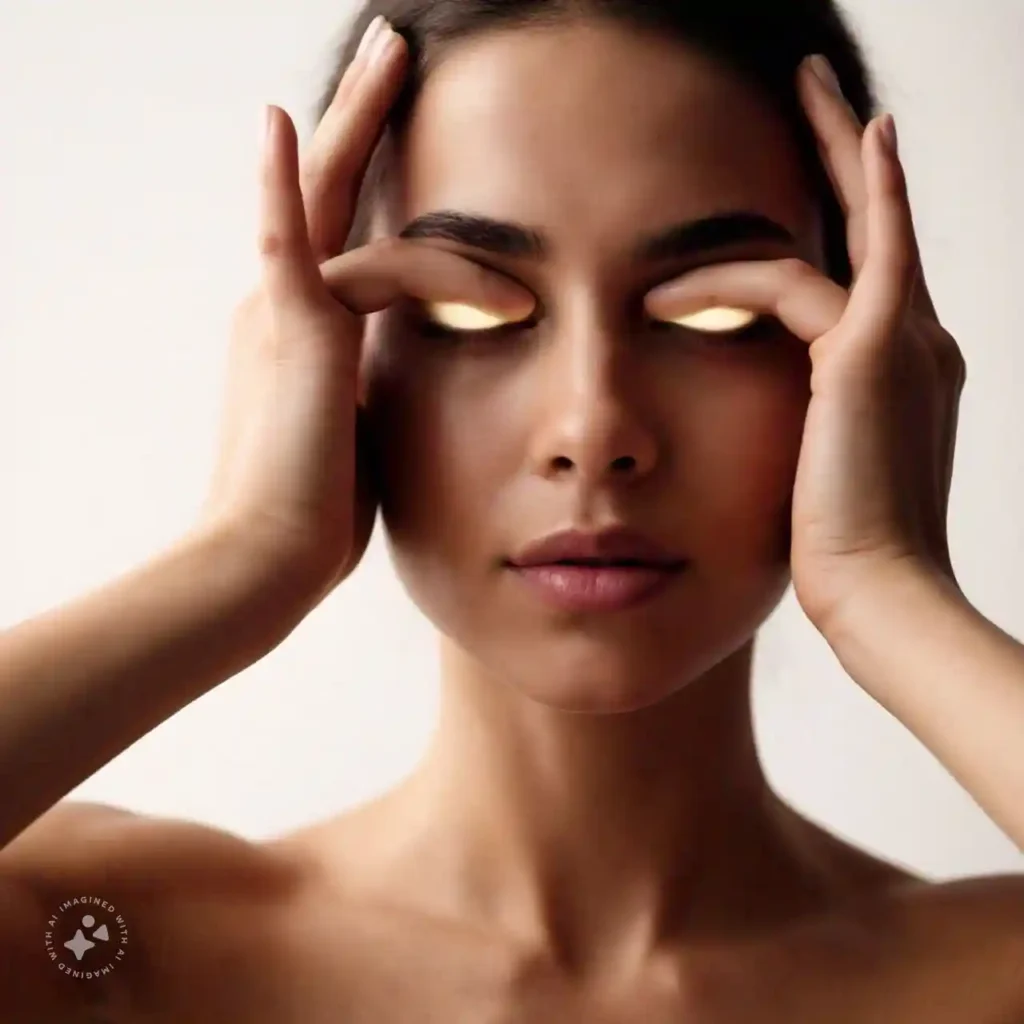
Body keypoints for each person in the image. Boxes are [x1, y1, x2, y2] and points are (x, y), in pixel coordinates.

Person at [2, 1, 1023, 1020]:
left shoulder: (988, 979)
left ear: (861, 367)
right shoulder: (105, 951)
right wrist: (241, 554)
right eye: (463, 309)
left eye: (722, 312)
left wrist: (885, 585)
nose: (591, 424)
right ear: (332, 365)